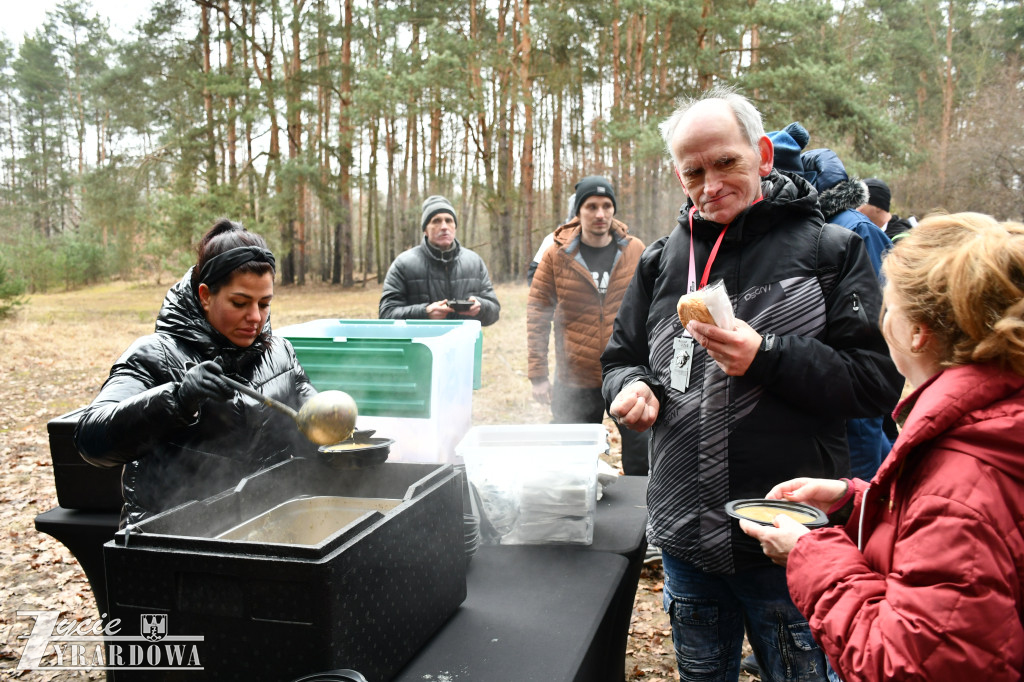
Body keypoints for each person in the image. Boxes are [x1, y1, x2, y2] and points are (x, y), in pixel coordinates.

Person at [601, 86, 902, 681]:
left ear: (763, 154)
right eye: (693, 172)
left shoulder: (830, 250)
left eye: (726, 163)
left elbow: (878, 382)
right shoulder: (661, 261)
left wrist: (768, 357)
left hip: (787, 539)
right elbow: (621, 357)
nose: (710, 184)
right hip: (686, 538)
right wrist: (628, 390)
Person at [742, 212, 1024, 681]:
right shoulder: (989, 423)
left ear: (917, 333)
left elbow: (906, 665)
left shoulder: (959, 477)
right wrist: (857, 501)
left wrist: (809, 555)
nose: (881, 320)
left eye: (887, 307)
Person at [75, 219, 319, 526]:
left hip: (264, 523)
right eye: (240, 302)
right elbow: (90, 439)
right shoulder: (156, 355)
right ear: (205, 295)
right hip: (172, 537)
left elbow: (308, 417)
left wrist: (330, 429)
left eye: (265, 303)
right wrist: (178, 399)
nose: (255, 317)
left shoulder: (280, 351)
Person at [527, 176, 649, 475]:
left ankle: (642, 519)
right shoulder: (557, 255)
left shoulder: (635, 250)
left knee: (641, 461)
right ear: (578, 212)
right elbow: (537, 314)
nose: (600, 214)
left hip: (629, 373)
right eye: (591, 206)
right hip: (576, 376)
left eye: (607, 206)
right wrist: (538, 375)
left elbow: (654, 309)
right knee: (573, 466)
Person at [800, 147, 900, 481]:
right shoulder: (806, 228)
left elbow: (875, 319)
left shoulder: (854, 228)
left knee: (861, 473)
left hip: (852, 385)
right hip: (823, 384)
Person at [379, 195, 500, 325]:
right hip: (420, 344)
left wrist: (480, 308)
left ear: (455, 226)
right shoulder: (403, 264)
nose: (444, 226)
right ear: (425, 229)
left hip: (464, 344)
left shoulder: (474, 262)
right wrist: (425, 313)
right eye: (436, 221)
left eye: (449, 220)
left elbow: (494, 312)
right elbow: (386, 314)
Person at [857, 177, 916, 242]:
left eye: (859, 203)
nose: (855, 209)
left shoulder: (901, 240)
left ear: (878, 206)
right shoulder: (866, 234)